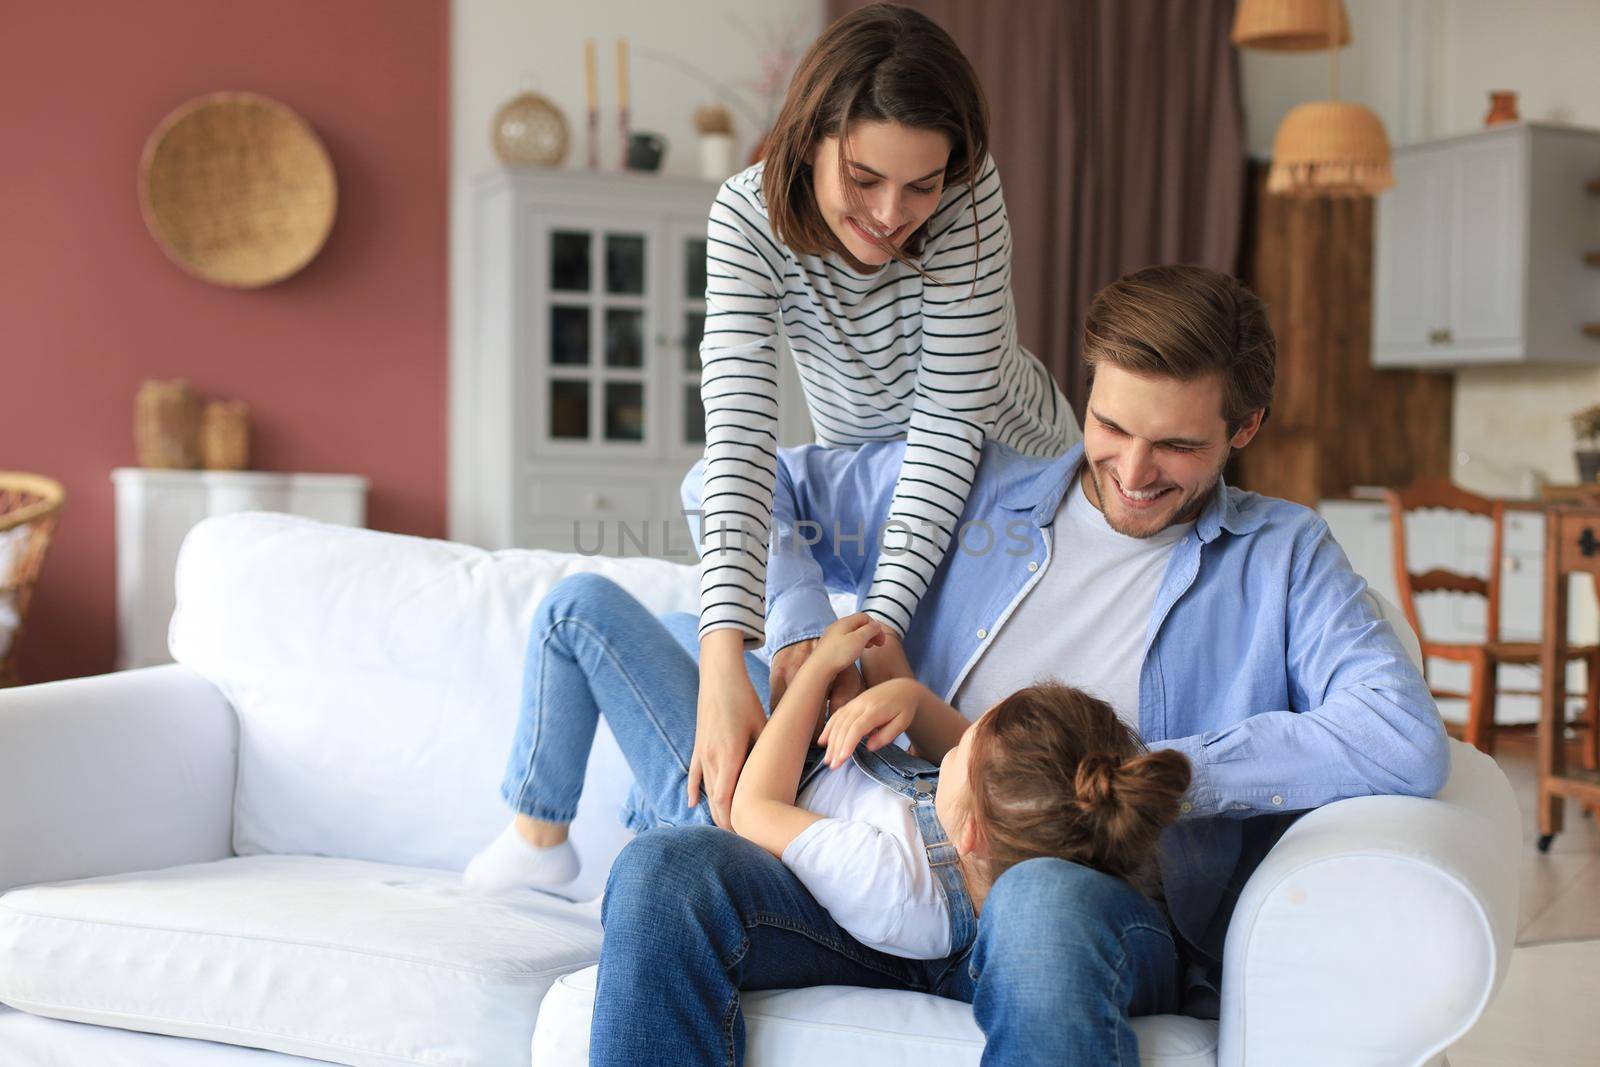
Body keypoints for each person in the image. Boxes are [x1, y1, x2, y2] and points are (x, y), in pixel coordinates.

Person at [587, 265, 1451, 1065]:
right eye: (1111, 424)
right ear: (1087, 391)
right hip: (896, 851)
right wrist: (804, 639)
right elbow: (728, 482)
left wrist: (1140, 779)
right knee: (665, 872)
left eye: (1178, 446)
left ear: (1244, 428)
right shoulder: (973, 488)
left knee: (1039, 901)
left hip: (1088, 896)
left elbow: (1402, 736)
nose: (1134, 471)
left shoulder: (1281, 555)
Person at [688, 2, 1079, 839]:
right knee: (710, 485)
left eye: (921, 185)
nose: (892, 213)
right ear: (809, 139)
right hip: (872, 469)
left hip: (1007, 462)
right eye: (863, 179)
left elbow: (946, 429)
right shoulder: (745, 217)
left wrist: (876, 626)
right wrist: (728, 653)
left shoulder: (969, 199)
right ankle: (799, 650)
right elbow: (741, 434)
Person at [467, 588, 1188, 970]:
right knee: (684, 625)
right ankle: (640, 800)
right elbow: (966, 751)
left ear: (969, 830)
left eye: (965, 745)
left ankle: (540, 835)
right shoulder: (1007, 828)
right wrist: (900, 694)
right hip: (807, 759)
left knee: (579, 611)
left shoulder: (892, 882)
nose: (958, 735)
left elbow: (755, 807)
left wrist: (814, 675)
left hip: (738, 798)